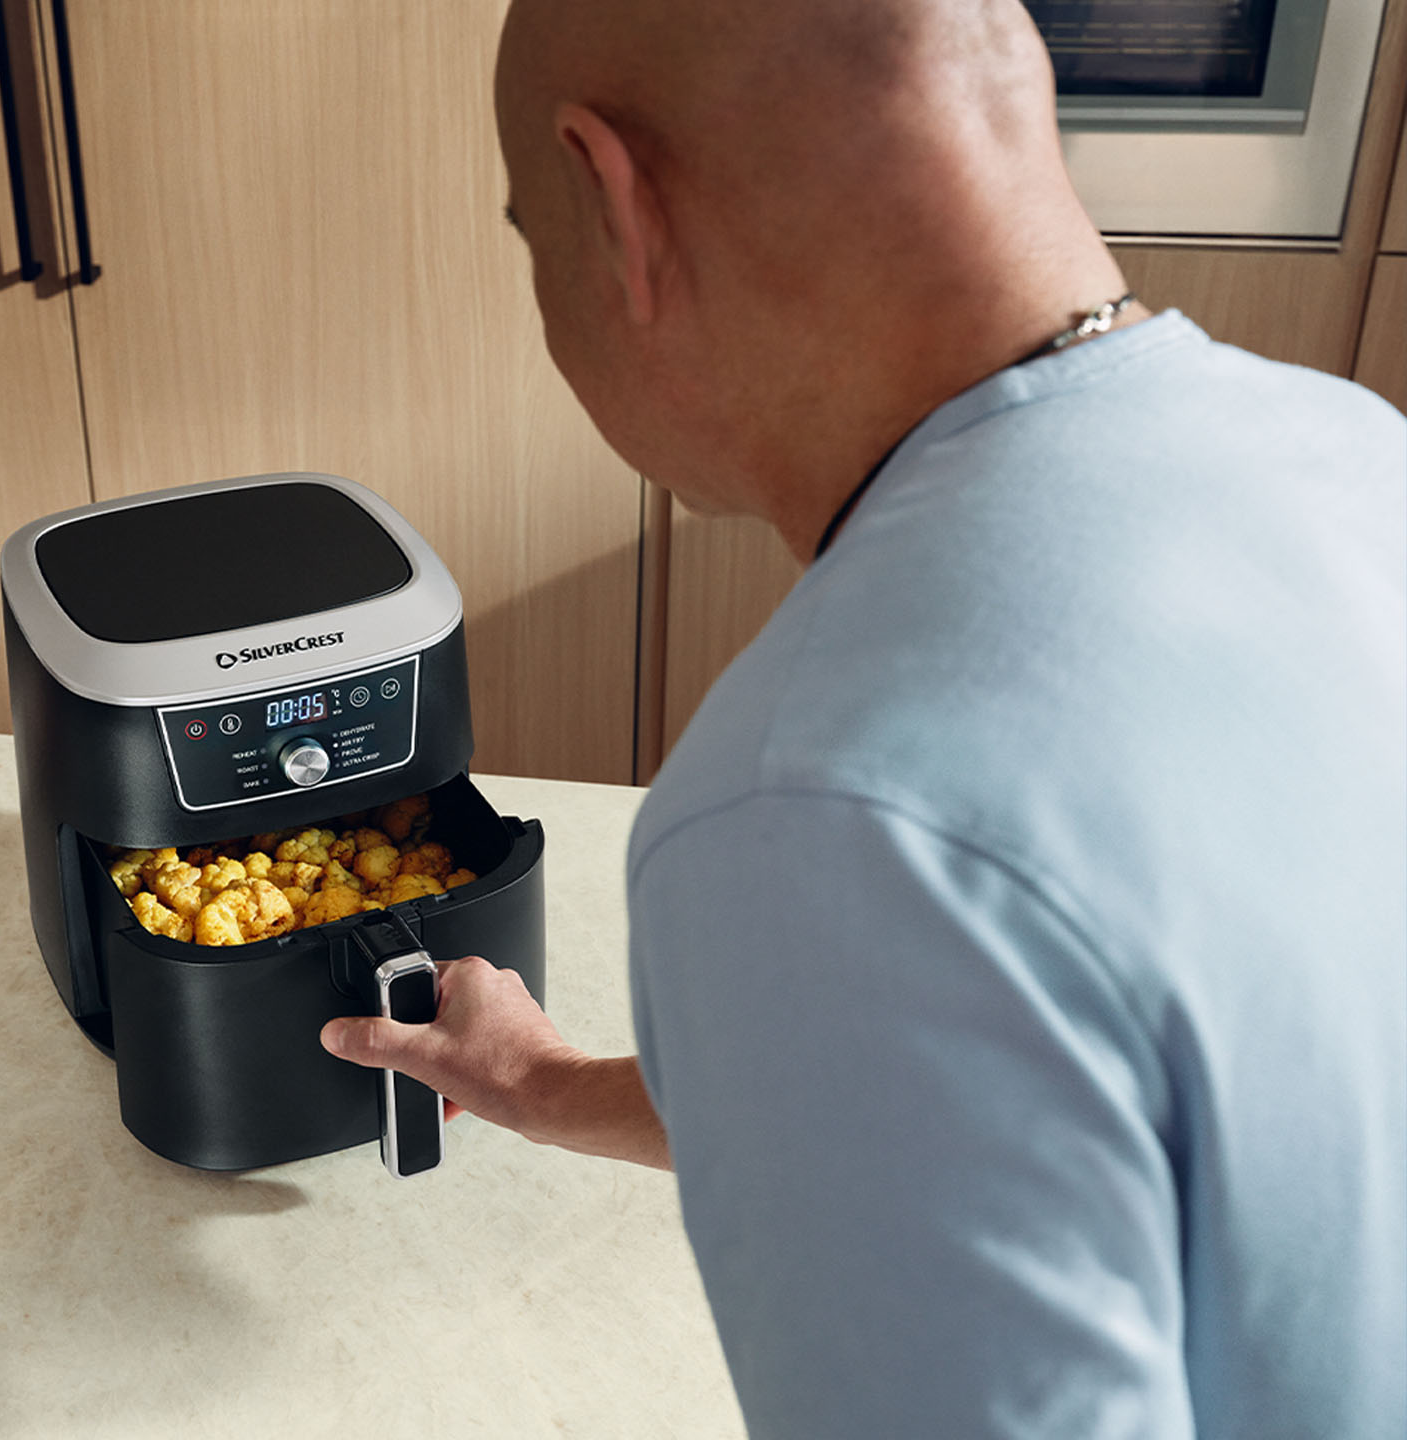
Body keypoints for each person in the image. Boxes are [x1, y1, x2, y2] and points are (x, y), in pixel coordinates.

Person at [319, 1, 1407, 1435]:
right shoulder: (1352, 455)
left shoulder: (814, 806)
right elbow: (1034, 1081)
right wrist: (547, 1084)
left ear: (615, 202)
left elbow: (924, 956)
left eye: (533, 235)